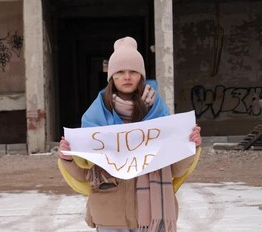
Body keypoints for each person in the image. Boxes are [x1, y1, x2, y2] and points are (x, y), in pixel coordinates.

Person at [58, 36, 202, 232]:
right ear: (111, 77)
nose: (127, 77)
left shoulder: (159, 115)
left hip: (153, 219)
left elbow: (174, 170)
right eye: (120, 72)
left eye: (133, 71)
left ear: (141, 76)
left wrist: (190, 146)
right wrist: (67, 159)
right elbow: (86, 175)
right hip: (109, 218)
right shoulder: (94, 118)